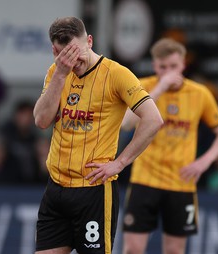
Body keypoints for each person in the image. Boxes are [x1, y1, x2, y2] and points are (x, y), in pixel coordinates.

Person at [33, 17, 163, 254]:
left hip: (92, 190)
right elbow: (41, 120)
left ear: (89, 41)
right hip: (56, 189)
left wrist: (120, 163)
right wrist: (61, 75)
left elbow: (153, 119)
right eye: (66, 56)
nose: (75, 62)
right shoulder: (57, 72)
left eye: (78, 53)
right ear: (55, 51)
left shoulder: (116, 74)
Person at [121, 38, 218, 254]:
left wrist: (205, 161)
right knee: (133, 249)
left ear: (183, 65)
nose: (168, 72)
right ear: (154, 66)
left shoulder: (199, 94)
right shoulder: (143, 86)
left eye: (173, 66)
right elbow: (126, 123)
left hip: (181, 183)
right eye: (163, 67)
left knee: (175, 250)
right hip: (145, 179)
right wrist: (160, 88)